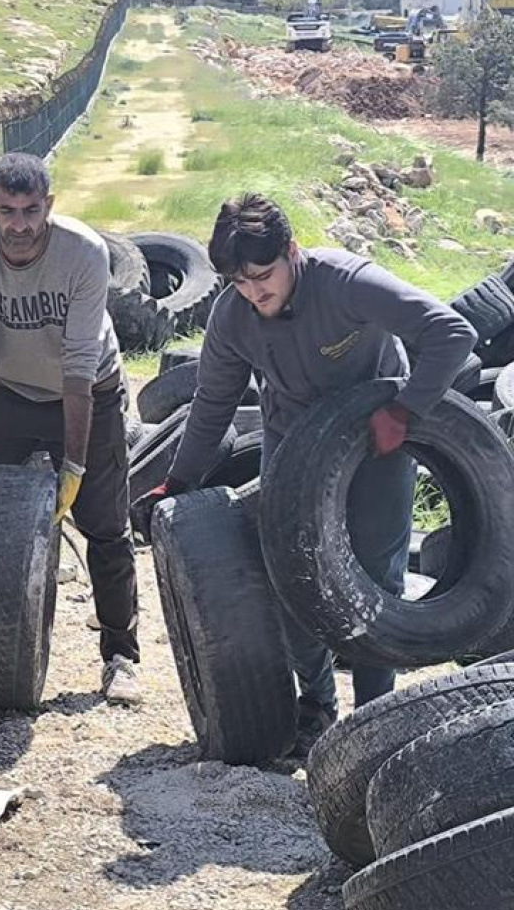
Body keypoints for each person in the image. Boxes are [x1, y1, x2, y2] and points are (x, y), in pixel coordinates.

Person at [131, 193, 474, 755]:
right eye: (240, 282)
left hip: (377, 443)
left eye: (263, 276)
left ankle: (376, 718)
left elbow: (450, 332)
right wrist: (180, 479)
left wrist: (406, 409)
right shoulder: (232, 316)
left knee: (373, 582)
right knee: (294, 578)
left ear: (291, 251)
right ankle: (316, 703)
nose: (255, 292)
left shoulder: (347, 282)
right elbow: (213, 403)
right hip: (292, 448)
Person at [0, 151, 141, 706]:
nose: (20, 225)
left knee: (106, 525)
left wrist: (73, 467)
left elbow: (78, 365)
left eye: (31, 210)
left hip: (87, 389)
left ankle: (121, 655)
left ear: (49, 205)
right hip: (10, 390)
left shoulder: (83, 253)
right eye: (8, 210)